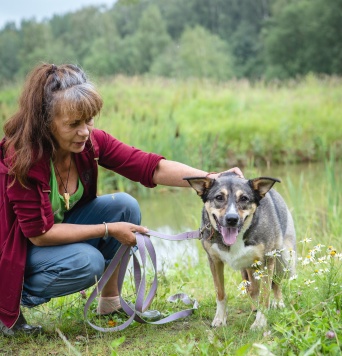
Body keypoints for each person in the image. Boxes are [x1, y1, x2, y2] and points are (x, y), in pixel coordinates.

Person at [0, 63, 243, 337]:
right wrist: (109, 230)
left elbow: (149, 166)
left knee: (124, 207)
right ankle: (8, 302)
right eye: (74, 124)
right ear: (46, 123)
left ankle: (110, 304)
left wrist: (212, 177)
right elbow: (39, 234)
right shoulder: (24, 159)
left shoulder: (89, 143)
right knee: (87, 261)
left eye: (89, 120)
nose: (85, 131)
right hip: (13, 250)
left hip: (46, 237)